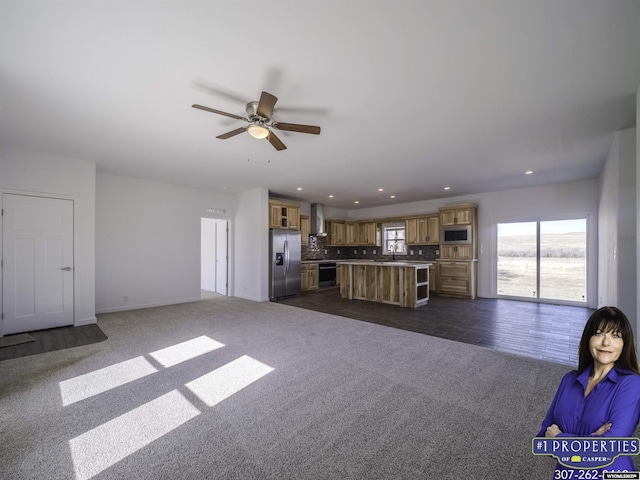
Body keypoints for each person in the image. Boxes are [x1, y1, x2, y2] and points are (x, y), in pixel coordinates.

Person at [537, 306, 640, 477]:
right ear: (588, 339)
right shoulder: (569, 380)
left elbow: (609, 448)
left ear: (625, 343)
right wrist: (592, 438)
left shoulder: (632, 384)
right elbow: (542, 440)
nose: (606, 343)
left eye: (615, 336)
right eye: (599, 333)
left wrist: (560, 439)